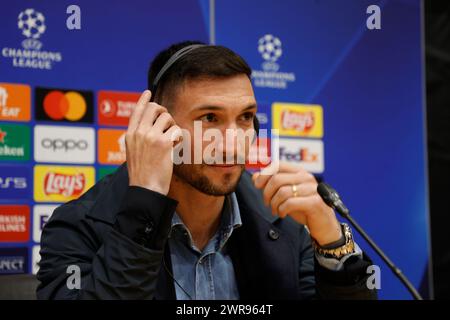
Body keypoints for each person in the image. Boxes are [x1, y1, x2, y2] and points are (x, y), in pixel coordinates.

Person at [36, 41, 377, 300]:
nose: (232, 144)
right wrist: (143, 209)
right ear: (157, 126)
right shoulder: (78, 226)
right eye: (209, 118)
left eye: (245, 118)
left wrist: (331, 240)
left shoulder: (282, 221)